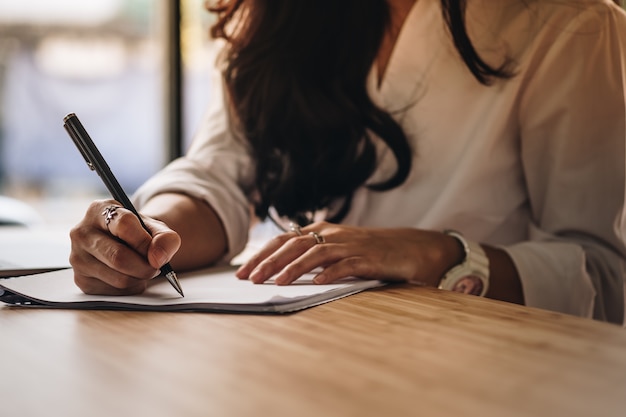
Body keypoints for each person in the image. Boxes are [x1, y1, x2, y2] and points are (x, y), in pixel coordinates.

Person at [69, 0, 626, 324]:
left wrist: (439, 253)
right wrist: (148, 235)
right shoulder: (281, 20)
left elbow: (606, 276)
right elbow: (219, 172)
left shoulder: (571, 26)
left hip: (486, 374)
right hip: (304, 351)